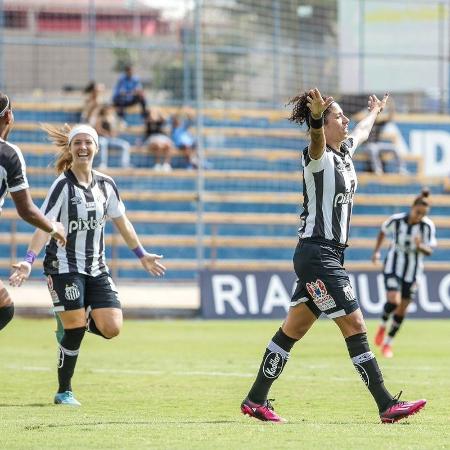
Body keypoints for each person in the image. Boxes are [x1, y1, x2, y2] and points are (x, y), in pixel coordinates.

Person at [240, 88, 426, 424]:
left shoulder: (345, 154)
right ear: (324, 126)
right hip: (318, 255)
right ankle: (386, 405)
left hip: (327, 256)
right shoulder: (318, 158)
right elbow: (314, 140)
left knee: (292, 330)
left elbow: (363, 132)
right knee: (354, 324)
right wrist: (314, 118)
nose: (345, 120)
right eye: (337, 116)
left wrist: (375, 111)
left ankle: (255, 399)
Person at [9, 124, 166, 406]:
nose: (82, 147)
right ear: (70, 149)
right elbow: (44, 226)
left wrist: (142, 254)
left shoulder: (107, 185)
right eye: (77, 143)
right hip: (63, 267)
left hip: (96, 268)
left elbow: (123, 223)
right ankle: (64, 390)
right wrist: (28, 261)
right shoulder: (62, 186)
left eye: (87, 142)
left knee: (112, 327)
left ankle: (74, 316)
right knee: (74, 329)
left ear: (97, 147)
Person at [0, 92, 66, 333]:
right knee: (3, 308)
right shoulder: (8, 154)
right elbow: (26, 209)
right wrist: (53, 228)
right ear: (9, 116)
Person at [372, 188, 436, 358]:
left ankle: (388, 343)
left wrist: (420, 245)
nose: (419, 216)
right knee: (393, 299)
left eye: (423, 214)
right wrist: (377, 251)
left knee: (403, 308)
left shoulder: (427, 226)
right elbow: (383, 231)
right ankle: (382, 327)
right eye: (418, 212)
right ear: (412, 207)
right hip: (393, 265)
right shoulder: (397, 220)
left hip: (413, 271)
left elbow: (429, 250)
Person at [357, 101, 407, 174]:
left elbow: (390, 117)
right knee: (373, 148)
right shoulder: (365, 122)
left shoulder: (379, 123)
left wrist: (391, 106)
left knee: (394, 148)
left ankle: (401, 169)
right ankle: (378, 170)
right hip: (367, 146)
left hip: (377, 145)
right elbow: (356, 117)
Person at [94, 104, 131, 168]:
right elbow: (98, 130)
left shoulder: (112, 119)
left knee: (125, 145)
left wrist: (116, 130)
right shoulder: (100, 118)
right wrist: (106, 134)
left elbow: (114, 132)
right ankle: (102, 164)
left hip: (110, 139)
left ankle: (125, 165)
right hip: (102, 138)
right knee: (103, 142)